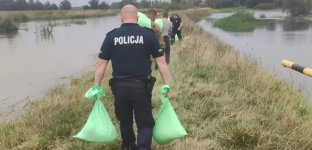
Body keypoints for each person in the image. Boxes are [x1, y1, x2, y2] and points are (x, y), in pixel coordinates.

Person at [94, 4, 170, 150]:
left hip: (120, 88)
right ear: (137, 17)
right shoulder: (148, 35)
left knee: (125, 121)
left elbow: (101, 65)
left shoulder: (112, 36)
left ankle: (128, 146)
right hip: (141, 88)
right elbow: (161, 62)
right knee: (144, 123)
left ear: (121, 17)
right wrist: (166, 84)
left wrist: (96, 87)